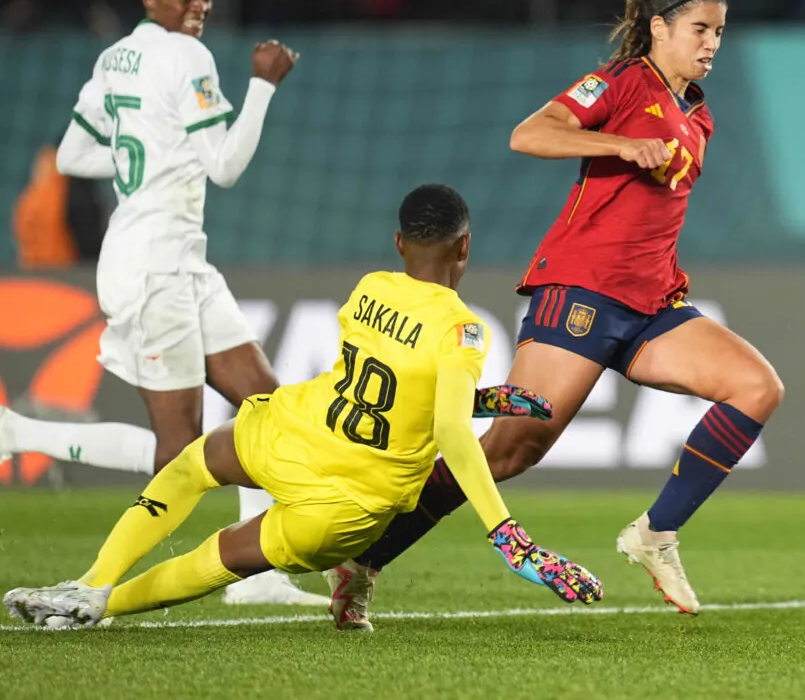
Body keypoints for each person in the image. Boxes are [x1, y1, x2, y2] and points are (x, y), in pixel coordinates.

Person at [326, 0, 783, 624]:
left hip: (653, 304)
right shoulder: (624, 81)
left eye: (719, 31)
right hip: (582, 292)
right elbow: (530, 132)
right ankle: (364, 559)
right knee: (511, 448)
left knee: (757, 386)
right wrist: (621, 145)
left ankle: (655, 533)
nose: (712, 42)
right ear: (659, 27)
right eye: (699, 28)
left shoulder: (698, 117)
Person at [3, 185, 603, 631]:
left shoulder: (368, 290)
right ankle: (103, 607)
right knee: (223, 555)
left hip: (297, 431)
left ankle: (90, 583)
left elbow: (392, 384)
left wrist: (485, 399)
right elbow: (441, 421)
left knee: (191, 464)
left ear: (399, 243)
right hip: (349, 502)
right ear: (465, 245)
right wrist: (510, 537)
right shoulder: (464, 330)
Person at [0, 0, 314, 606]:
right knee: (182, 454)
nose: (198, 5)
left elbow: (77, 152)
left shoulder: (114, 57)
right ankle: (25, 441)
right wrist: (263, 83)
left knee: (265, 403)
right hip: (154, 268)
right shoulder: (187, 56)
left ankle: (261, 580)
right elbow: (225, 166)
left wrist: (144, 158)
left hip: (177, 259)